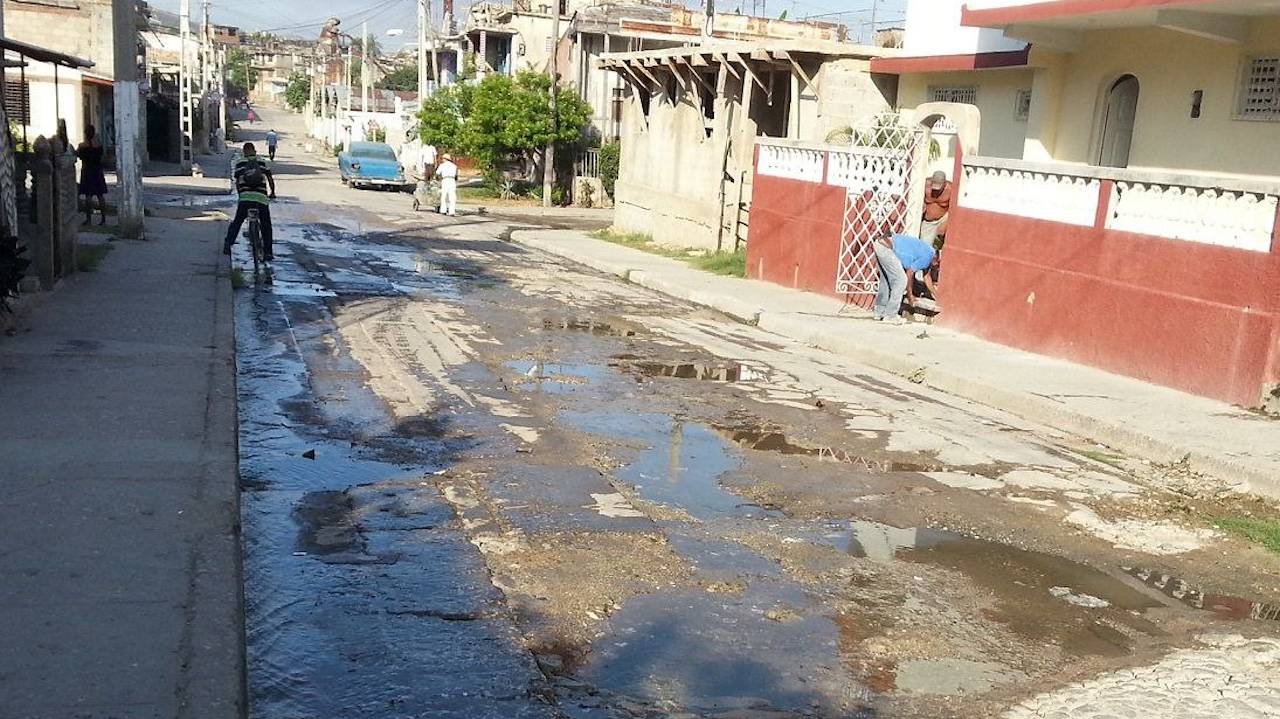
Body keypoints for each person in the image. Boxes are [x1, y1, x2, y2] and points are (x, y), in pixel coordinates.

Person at [223, 142, 277, 261]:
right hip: (261, 198)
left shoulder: (240, 163)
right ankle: (268, 252)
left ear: (244, 151)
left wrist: (241, 194)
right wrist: (272, 192)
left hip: (245, 198)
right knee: (266, 224)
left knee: (237, 221)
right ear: (254, 150)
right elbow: (270, 178)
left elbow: (237, 180)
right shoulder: (262, 162)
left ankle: (228, 244)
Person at [872, 228, 936, 323]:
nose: (937, 268)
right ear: (937, 260)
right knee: (901, 280)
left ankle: (879, 312)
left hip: (880, 243)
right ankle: (891, 315)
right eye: (938, 265)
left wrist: (935, 293)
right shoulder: (929, 256)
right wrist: (910, 296)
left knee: (885, 281)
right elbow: (910, 272)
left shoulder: (929, 252)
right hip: (888, 247)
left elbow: (926, 276)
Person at [76, 124, 109, 226]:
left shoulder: (83, 146)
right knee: (100, 196)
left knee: (88, 196)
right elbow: (102, 154)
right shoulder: (98, 145)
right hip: (97, 171)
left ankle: (89, 219)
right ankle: (103, 219)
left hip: (87, 171)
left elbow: (78, 154)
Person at [921, 170, 953, 245]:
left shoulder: (951, 189)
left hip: (944, 217)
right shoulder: (925, 185)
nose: (936, 191)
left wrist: (946, 223)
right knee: (925, 246)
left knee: (946, 243)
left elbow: (953, 209)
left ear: (944, 183)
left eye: (939, 187)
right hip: (929, 221)